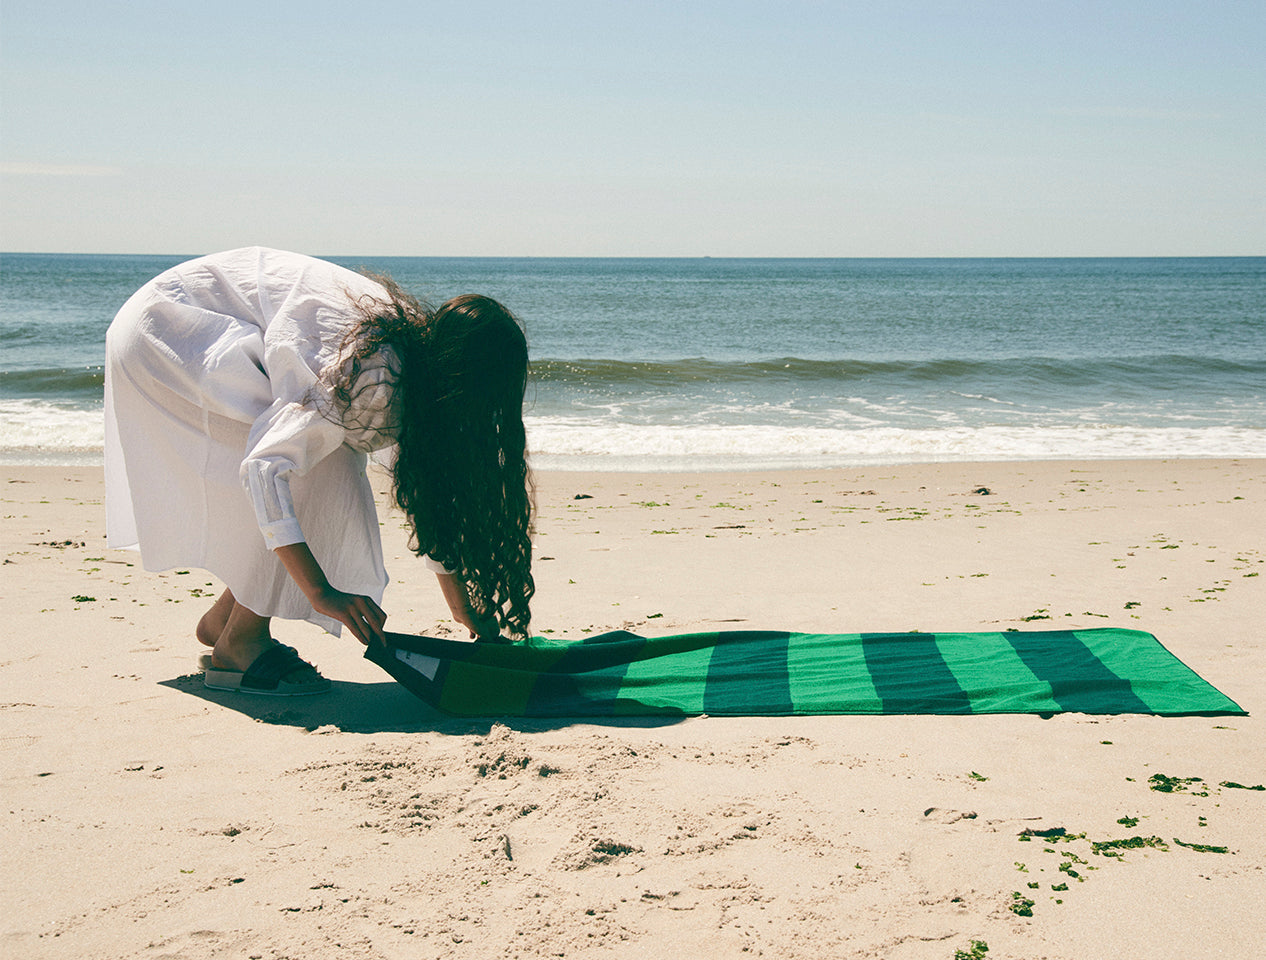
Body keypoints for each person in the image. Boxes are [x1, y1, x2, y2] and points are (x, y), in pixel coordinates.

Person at [104, 247, 533, 695]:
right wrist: (321, 591)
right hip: (174, 328)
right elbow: (265, 468)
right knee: (324, 466)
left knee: (324, 450)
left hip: (180, 322)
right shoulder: (370, 371)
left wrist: (460, 603)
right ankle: (240, 645)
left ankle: (226, 622)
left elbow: (423, 489)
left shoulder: (419, 355)